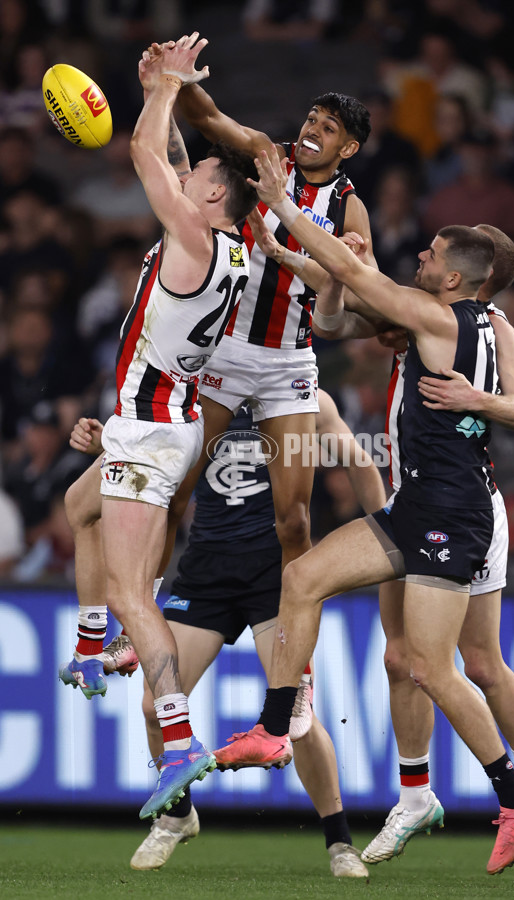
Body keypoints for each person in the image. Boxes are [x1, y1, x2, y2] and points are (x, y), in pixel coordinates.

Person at [210, 145, 514, 875]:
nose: (418, 257)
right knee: (301, 579)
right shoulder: (492, 326)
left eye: (429, 254)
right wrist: (279, 245)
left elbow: (359, 276)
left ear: (453, 278)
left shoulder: (437, 317)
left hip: (452, 512)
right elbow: (354, 294)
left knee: (432, 666)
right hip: (421, 502)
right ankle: (276, 728)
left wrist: (288, 203)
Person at [58, 37, 259, 822]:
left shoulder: (192, 237)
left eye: (201, 176)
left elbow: (146, 150)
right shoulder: (228, 245)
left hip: (150, 432)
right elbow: (170, 159)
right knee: (78, 510)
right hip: (158, 421)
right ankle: (87, 642)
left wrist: (166, 88)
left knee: (134, 593)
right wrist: (156, 86)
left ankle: (178, 739)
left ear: (211, 201)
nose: (188, 173)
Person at [69, 389, 386, 878]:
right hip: (207, 571)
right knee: (155, 705)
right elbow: (150, 451)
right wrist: (103, 445)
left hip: (275, 577)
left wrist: (386, 533)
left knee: (297, 718)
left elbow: (360, 459)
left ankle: (339, 842)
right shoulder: (195, 400)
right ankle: (177, 817)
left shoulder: (300, 399)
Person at [140, 33, 374, 577]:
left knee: (293, 520)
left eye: (328, 128)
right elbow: (211, 119)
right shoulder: (269, 155)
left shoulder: (350, 209)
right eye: (313, 119)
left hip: (289, 362)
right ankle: (142, 612)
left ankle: (300, 653)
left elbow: (364, 290)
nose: (313, 130)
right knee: (178, 492)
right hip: (224, 350)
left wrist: (339, 264)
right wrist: (179, 78)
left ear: (349, 149)